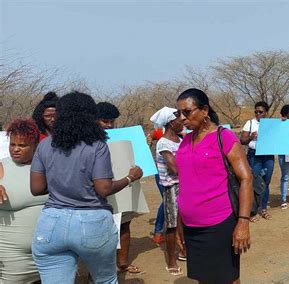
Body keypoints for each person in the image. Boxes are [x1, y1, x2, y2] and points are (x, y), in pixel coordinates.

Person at [30, 91, 143, 283]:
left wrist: (63, 180)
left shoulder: (44, 145)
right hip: (91, 222)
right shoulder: (97, 146)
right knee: (105, 280)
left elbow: (37, 188)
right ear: (91, 116)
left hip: (51, 224)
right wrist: (129, 178)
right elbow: (103, 189)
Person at [175, 88, 253, 284]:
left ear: (204, 110)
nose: (182, 118)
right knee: (203, 278)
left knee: (228, 279)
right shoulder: (185, 141)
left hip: (219, 223)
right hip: (191, 226)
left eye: (187, 112)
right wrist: (180, 223)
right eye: (179, 113)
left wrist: (243, 222)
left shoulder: (223, 137)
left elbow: (246, 178)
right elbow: (185, 185)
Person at [96, 101, 143, 275]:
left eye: (112, 121)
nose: (109, 125)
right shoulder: (88, 142)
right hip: (101, 192)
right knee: (103, 231)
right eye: (104, 121)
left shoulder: (122, 140)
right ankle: (103, 269)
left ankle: (122, 263)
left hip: (123, 188)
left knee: (124, 225)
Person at [0, 119, 47, 283]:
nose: (15, 150)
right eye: (12, 144)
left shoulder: (48, 167)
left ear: (35, 145)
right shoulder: (2, 166)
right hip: (13, 260)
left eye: (22, 145)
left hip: (50, 256)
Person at [153, 106, 185, 275]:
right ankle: (171, 261)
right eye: (181, 120)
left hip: (186, 184)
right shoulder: (163, 143)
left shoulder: (181, 139)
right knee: (172, 224)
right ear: (171, 123)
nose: (184, 122)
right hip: (172, 186)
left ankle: (184, 251)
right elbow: (175, 169)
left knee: (186, 221)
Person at [240, 101, 274, 220]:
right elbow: (242, 140)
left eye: (260, 112)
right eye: (256, 112)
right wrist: (250, 137)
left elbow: (282, 133)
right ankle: (252, 211)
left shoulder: (271, 124)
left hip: (268, 155)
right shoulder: (250, 123)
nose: (257, 114)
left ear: (266, 112)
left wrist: (284, 122)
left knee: (266, 182)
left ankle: (263, 208)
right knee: (253, 182)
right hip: (254, 155)